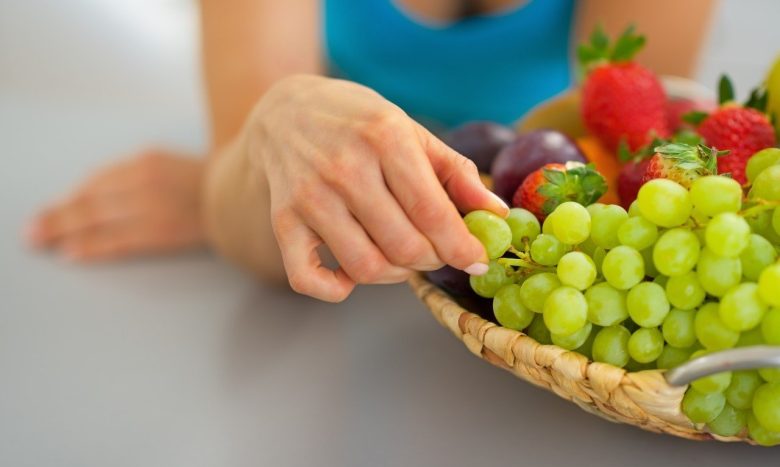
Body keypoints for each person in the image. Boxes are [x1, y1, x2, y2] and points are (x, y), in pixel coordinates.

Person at [25, 0, 715, 302]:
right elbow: (259, 212)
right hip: (351, 227)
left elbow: (636, 174)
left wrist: (220, 181)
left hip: (511, 245)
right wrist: (260, 142)